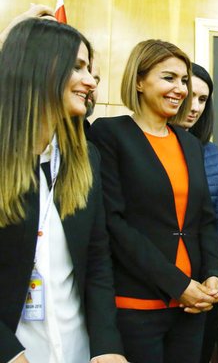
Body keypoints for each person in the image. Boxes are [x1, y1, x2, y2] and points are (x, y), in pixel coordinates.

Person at [89, 40, 218, 362]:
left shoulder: (190, 144)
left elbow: (204, 218)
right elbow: (113, 223)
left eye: (184, 80)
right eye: (169, 78)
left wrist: (212, 275)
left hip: (193, 305)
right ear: (139, 80)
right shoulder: (109, 133)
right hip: (137, 305)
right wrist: (177, 284)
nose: (180, 89)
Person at [0, 19, 126, 363]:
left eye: (90, 69)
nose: (90, 81)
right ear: (36, 67)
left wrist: (107, 346)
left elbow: (98, 261)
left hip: (77, 350)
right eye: (77, 67)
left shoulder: (85, 158)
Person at [175, 62, 218, 363]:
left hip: (208, 284)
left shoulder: (208, 151)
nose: (196, 107)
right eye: (192, 97)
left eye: (203, 100)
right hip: (164, 284)